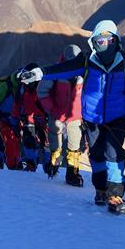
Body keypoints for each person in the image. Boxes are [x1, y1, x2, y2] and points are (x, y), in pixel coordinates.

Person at [20, 20, 125, 215]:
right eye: (100, 39)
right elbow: (62, 69)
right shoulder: (87, 61)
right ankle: (100, 190)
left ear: (116, 40)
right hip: (92, 117)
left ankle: (115, 195)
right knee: (96, 154)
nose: (104, 43)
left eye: (108, 39)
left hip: (118, 117)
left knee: (113, 154)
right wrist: (39, 73)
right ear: (94, 41)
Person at [38, 45, 85, 186]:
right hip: (58, 114)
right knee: (55, 143)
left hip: (75, 116)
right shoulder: (56, 72)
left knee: (74, 146)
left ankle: (72, 173)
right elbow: (42, 92)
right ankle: (54, 164)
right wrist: (52, 110)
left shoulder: (84, 71)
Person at [11, 63, 48, 172]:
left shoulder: (44, 84)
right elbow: (17, 105)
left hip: (43, 119)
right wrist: (14, 121)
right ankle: (31, 164)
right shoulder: (22, 88)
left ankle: (50, 166)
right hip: (29, 118)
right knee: (28, 141)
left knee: (46, 143)